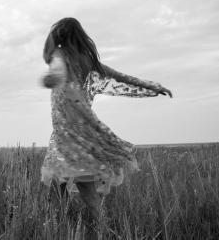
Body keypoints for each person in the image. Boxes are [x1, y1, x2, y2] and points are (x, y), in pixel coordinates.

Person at [40, 17, 172, 222]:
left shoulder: (59, 54)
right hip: (82, 135)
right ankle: (74, 229)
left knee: (65, 192)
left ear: (61, 36)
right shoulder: (88, 61)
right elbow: (122, 77)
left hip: (67, 139)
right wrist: (153, 86)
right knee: (74, 192)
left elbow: (56, 69)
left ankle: (75, 229)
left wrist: (53, 77)